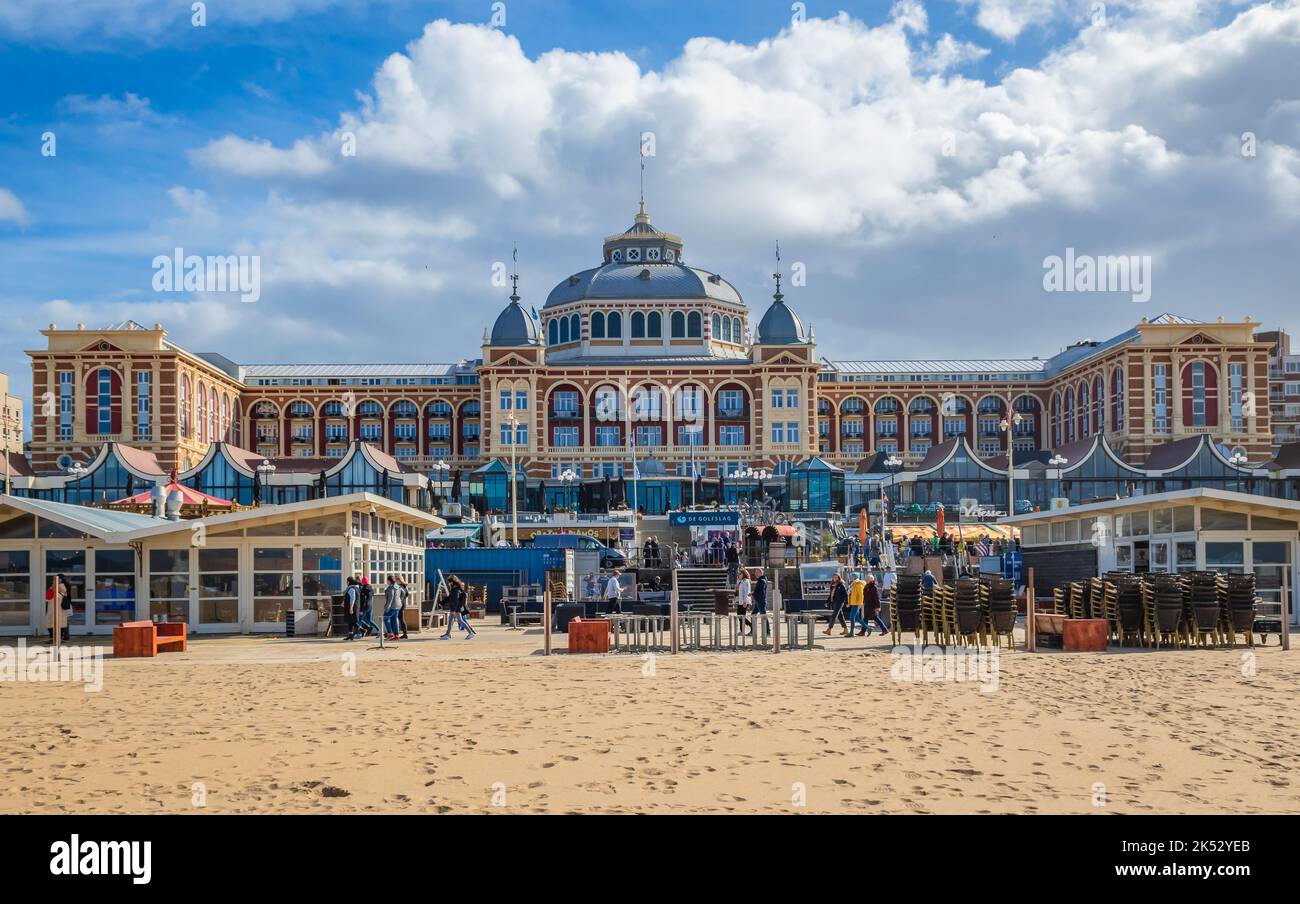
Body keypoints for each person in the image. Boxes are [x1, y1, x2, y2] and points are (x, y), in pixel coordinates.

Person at [440, 575, 475, 639]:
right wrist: (442, 603)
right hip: (457, 608)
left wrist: (453, 610)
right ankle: (448, 634)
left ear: (452, 582)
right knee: (455, 620)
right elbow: (450, 598)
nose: (448, 584)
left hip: (456, 608)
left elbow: (455, 600)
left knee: (458, 620)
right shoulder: (457, 589)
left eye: (449, 582)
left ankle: (470, 633)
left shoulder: (455, 590)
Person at [45, 574, 71, 644]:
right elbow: (48, 596)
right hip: (56, 607)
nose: (54, 580)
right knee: (53, 623)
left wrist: (54, 585)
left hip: (59, 607)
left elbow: (49, 595)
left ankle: (56, 638)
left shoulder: (61, 586)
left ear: (60, 579)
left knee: (56, 623)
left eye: (56, 579)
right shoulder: (62, 586)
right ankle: (56, 638)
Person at [823, 572, 849, 636]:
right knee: (840, 616)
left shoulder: (841, 585)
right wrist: (827, 602)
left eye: (836, 577)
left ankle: (829, 629)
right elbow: (831, 595)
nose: (834, 578)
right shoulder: (832, 585)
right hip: (834, 602)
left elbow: (846, 594)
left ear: (838, 578)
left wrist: (847, 602)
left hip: (840, 602)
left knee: (834, 615)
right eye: (834, 577)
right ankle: (846, 629)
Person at [383, 574, 405, 640]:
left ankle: (390, 634)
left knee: (385, 619)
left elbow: (391, 598)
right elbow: (403, 593)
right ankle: (396, 635)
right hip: (398, 606)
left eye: (387, 580)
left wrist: (387, 607)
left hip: (391, 606)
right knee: (394, 620)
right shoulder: (398, 586)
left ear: (389, 580)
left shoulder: (391, 588)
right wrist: (399, 600)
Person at [846, 571, 867, 637]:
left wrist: (860, 603)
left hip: (856, 603)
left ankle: (851, 632)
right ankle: (868, 628)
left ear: (855, 577)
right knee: (857, 618)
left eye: (852, 576)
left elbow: (861, 595)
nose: (851, 577)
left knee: (852, 617)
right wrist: (849, 602)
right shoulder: (853, 584)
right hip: (853, 603)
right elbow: (850, 594)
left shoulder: (858, 584)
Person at [751, 568, 770, 639]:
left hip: (760, 601)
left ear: (761, 573)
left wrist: (754, 594)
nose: (755, 574)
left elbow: (761, 592)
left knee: (764, 616)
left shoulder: (761, 580)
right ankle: (752, 631)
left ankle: (767, 632)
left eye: (757, 572)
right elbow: (759, 591)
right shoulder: (763, 580)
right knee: (753, 614)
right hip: (759, 601)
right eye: (755, 572)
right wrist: (753, 593)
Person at [735, 568, 752, 636]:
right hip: (740, 601)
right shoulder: (740, 581)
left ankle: (751, 626)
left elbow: (746, 592)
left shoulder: (746, 581)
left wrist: (745, 602)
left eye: (740, 574)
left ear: (744, 574)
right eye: (738, 574)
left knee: (742, 616)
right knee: (740, 616)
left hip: (744, 601)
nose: (738, 575)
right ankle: (742, 630)